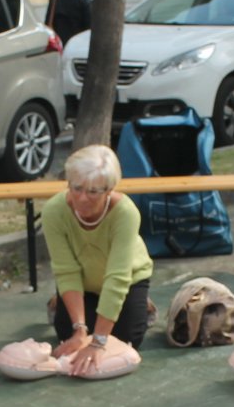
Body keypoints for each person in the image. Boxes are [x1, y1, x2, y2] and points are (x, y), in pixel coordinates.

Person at [42, 144, 154, 375]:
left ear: (109, 190)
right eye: (77, 188)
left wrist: (98, 341)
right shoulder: (53, 211)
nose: (82, 198)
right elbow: (66, 271)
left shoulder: (126, 213)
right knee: (67, 336)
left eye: (93, 192)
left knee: (124, 339)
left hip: (126, 278)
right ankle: (63, 302)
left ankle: (142, 304)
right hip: (82, 281)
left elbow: (118, 277)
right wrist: (79, 330)